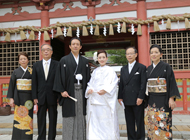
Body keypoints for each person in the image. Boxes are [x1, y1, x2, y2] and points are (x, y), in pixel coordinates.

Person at [53, 37, 90, 140]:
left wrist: (89, 90)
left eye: (77, 44)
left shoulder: (85, 61)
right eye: (73, 44)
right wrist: (61, 91)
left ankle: (81, 137)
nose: (75, 46)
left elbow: (88, 79)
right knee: (69, 117)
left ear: (80, 47)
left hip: (81, 92)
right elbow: (59, 77)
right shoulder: (64, 60)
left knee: (80, 116)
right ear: (69, 46)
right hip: (68, 92)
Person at [145, 44, 180, 140]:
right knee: (152, 125)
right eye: (151, 53)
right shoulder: (148, 69)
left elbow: (171, 82)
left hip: (164, 100)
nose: (154, 54)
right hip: (152, 100)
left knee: (164, 123)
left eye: (156, 52)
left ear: (161, 54)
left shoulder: (166, 67)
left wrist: (171, 98)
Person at [85, 50, 119, 140]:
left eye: (103, 57)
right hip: (95, 102)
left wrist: (106, 90)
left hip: (105, 101)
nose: (102, 59)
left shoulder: (111, 71)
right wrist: (89, 89)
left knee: (106, 122)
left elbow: (114, 84)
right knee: (96, 122)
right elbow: (90, 84)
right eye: (100, 57)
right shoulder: (95, 71)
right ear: (97, 59)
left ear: (106, 58)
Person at [118, 46, 146, 140]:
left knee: (139, 121)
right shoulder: (123, 69)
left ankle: (140, 138)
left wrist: (141, 97)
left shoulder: (141, 67)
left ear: (136, 55)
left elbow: (143, 83)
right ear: (126, 56)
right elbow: (121, 84)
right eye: (127, 54)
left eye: (131, 53)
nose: (129, 55)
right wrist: (120, 97)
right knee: (129, 122)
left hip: (137, 99)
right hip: (126, 98)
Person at [32, 44, 58, 140]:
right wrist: (34, 96)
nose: (46, 51)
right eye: (44, 50)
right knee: (41, 119)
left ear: (51, 52)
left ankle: (52, 137)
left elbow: (58, 81)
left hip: (53, 95)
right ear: (41, 52)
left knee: (53, 119)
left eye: (48, 50)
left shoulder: (57, 64)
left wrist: (58, 96)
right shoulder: (36, 65)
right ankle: (41, 137)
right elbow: (34, 82)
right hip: (41, 96)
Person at [7, 52, 33, 140]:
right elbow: (12, 85)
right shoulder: (15, 72)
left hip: (29, 98)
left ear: (28, 60)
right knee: (18, 117)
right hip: (18, 96)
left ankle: (27, 137)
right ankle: (17, 137)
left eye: (24, 59)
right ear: (19, 61)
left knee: (28, 117)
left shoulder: (31, 71)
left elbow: (34, 85)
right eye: (21, 59)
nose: (23, 60)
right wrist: (11, 98)